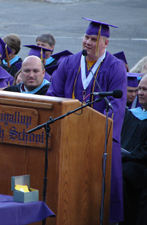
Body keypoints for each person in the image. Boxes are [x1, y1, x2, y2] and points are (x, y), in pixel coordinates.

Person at [46, 17, 127, 224]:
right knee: (67, 192)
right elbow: (53, 96)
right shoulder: (69, 63)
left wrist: (93, 133)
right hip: (68, 139)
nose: (88, 42)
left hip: (100, 143)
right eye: (86, 37)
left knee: (99, 195)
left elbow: (115, 109)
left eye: (93, 39)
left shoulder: (115, 67)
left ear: (105, 43)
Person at [120, 75, 147, 225]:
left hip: (139, 166)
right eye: (140, 89)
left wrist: (127, 155)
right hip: (125, 161)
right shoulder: (130, 114)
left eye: (145, 90)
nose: (140, 93)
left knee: (124, 173)